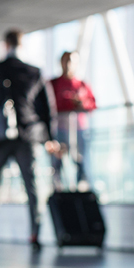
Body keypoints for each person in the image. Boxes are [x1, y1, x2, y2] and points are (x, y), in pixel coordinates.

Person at [0, 29, 58, 249]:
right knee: (32, 185)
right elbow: (47, 110)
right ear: (22, 44)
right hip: (28, 136)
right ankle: (35, 233)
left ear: (5, 45)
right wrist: (50, 137)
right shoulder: (34, 71)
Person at [47, 51, 96, 189]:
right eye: (66, 60)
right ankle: (58, 189)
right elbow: (48, 105)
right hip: (59, 129)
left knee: (81, 160)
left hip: (79, 129)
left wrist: (82, 104)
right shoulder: (53, 84)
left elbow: (92, 104)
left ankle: (82, 186)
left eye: (72, 61)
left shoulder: (82, 85)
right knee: (57, 161)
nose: (69, 64)